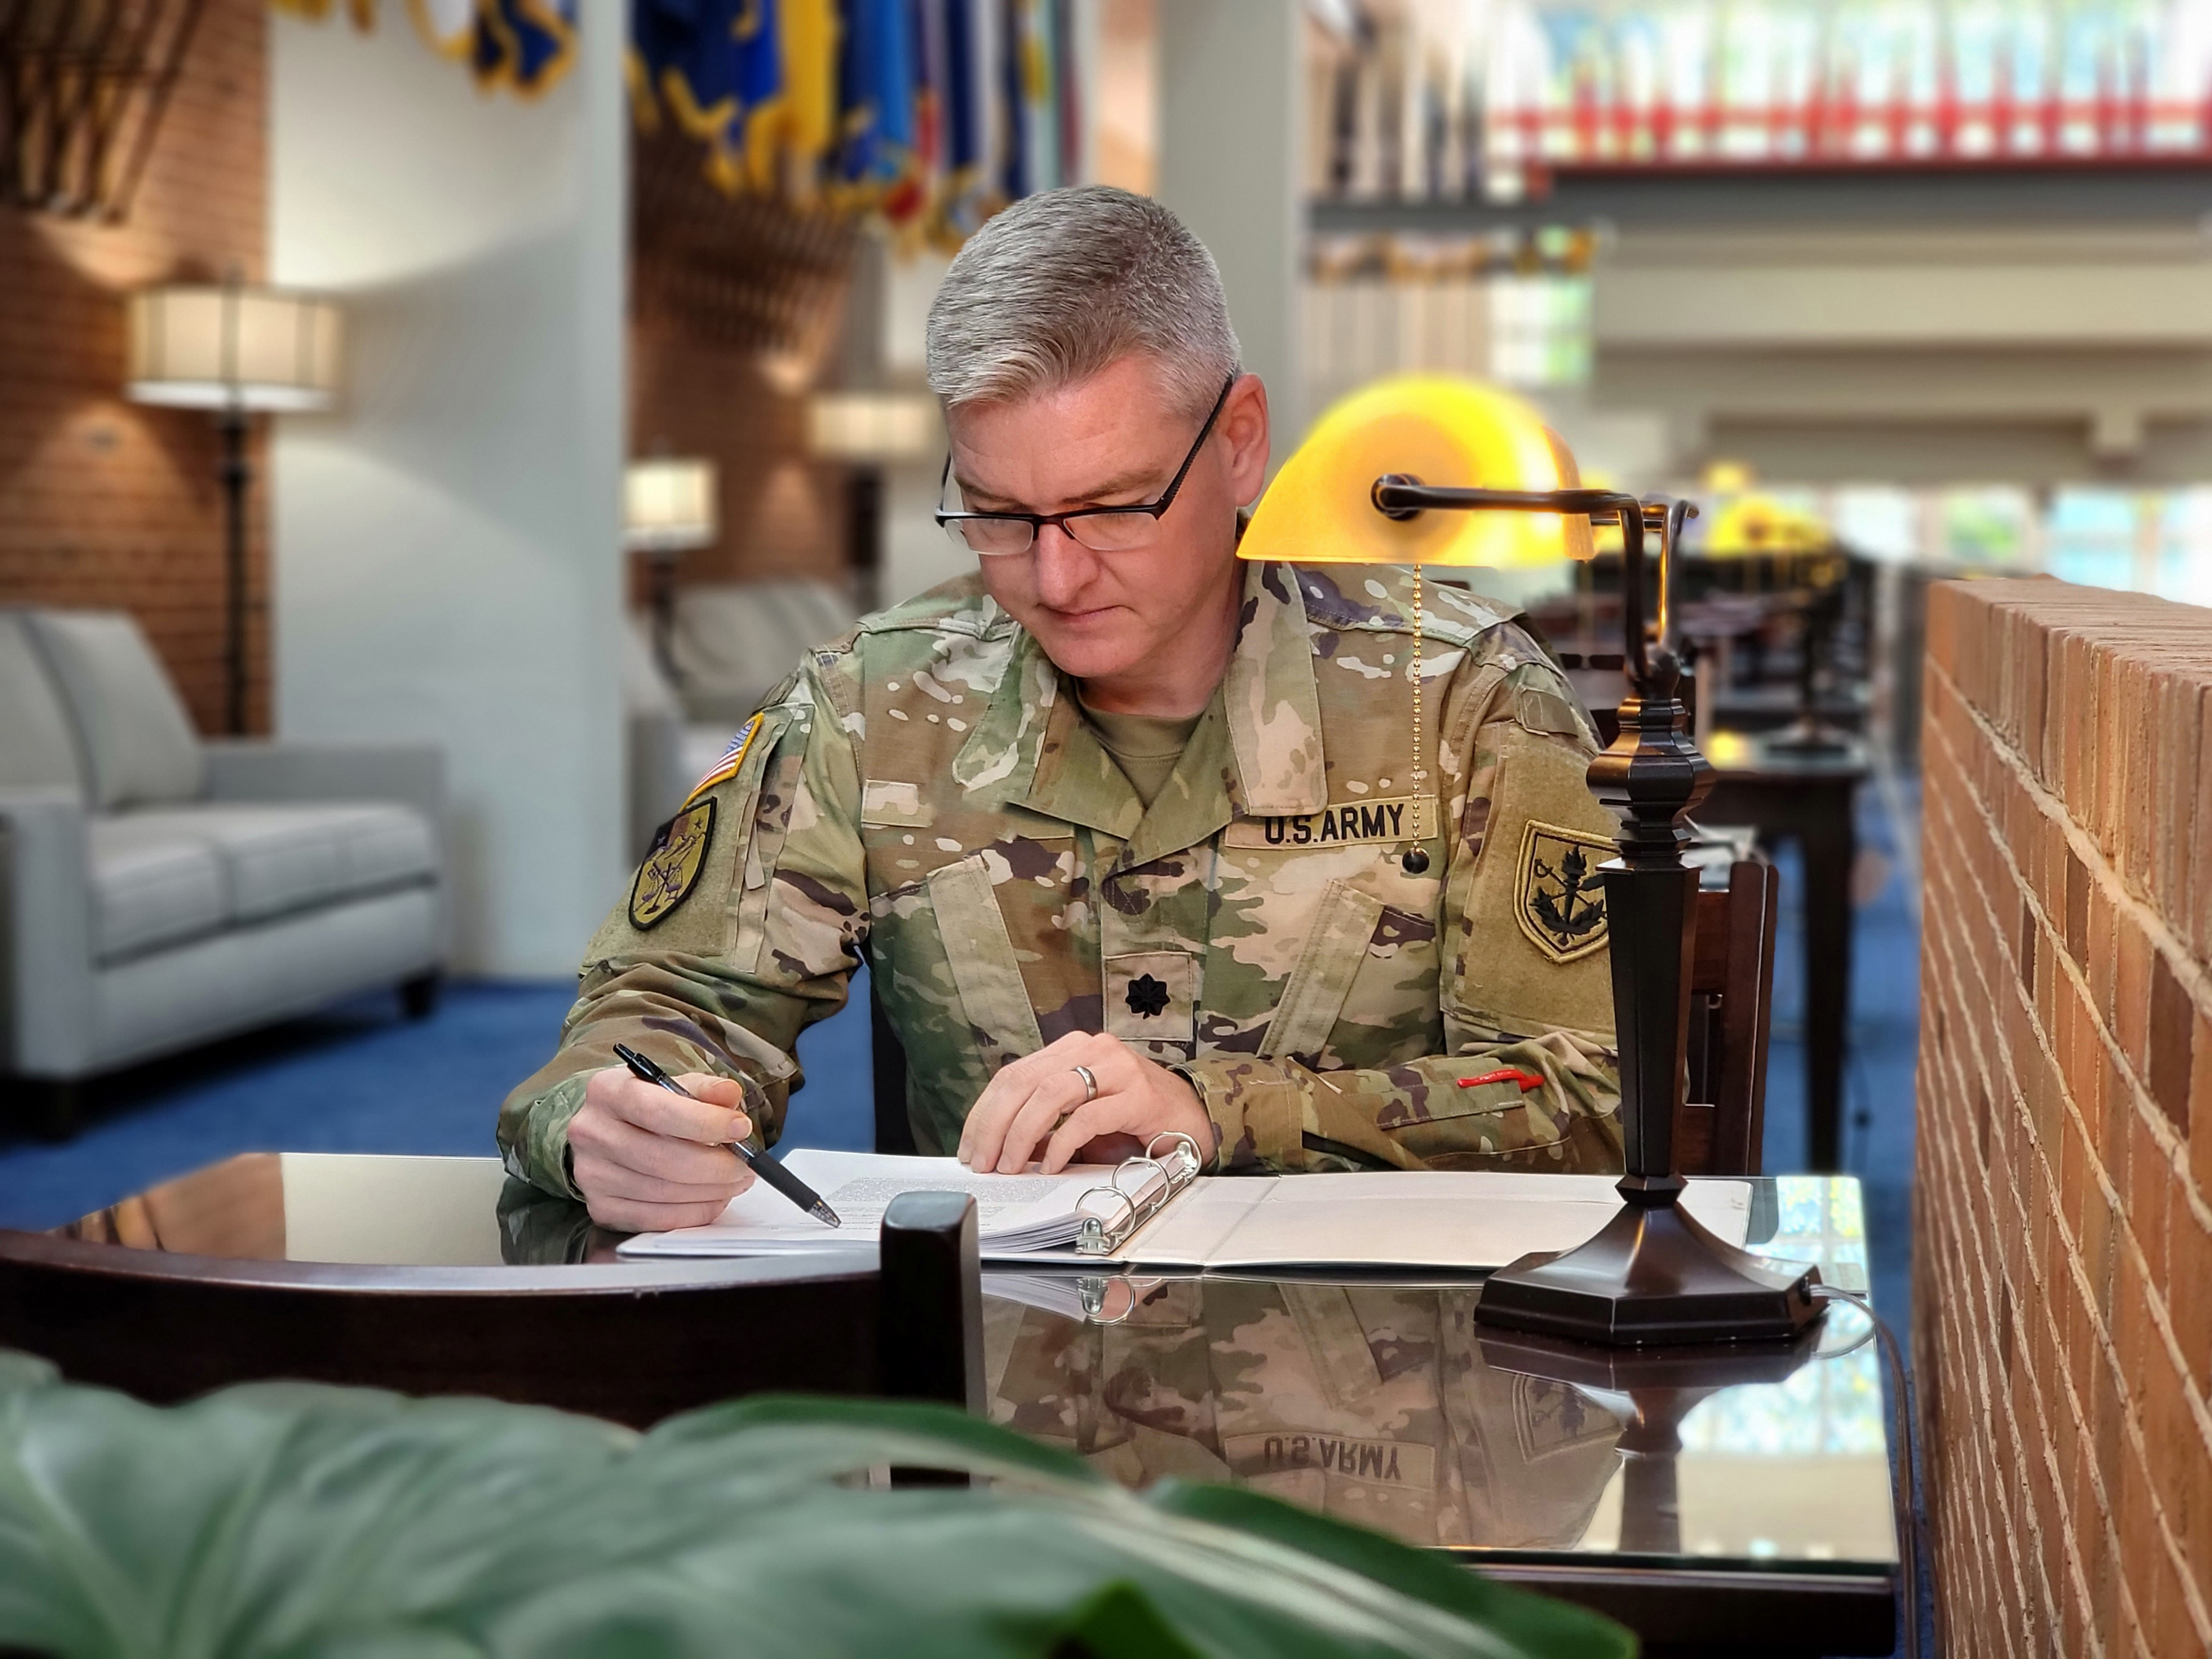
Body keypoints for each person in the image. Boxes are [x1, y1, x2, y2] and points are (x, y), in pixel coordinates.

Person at [499, 185, 1624, 1233]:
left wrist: (1218, 1111)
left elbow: (1585, 1094)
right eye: (995, 513)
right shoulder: (868, 708)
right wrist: (610, 1117)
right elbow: (670, 998)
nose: (1053, 575)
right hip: (996, 1385)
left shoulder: (1464, 700)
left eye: (1110, 507)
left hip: (1375, 1381)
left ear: (1238, 444)